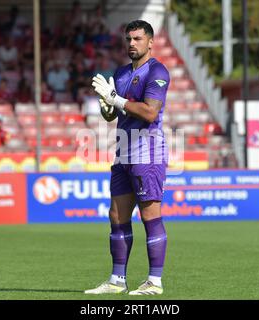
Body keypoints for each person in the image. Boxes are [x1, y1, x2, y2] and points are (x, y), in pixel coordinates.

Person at [85, 20, 170, 295]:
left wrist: (116, 100)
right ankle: (116, 280)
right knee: (117, 216)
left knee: (149, 215)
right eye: (128, 39)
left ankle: (154, 282)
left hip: (148, 152)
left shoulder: (157, 71)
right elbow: (115, 114)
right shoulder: (121, 73)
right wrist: (107, 108)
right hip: (123, 151)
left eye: (137, 39)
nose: (132, 44)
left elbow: (149, 113)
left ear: (150, 42)